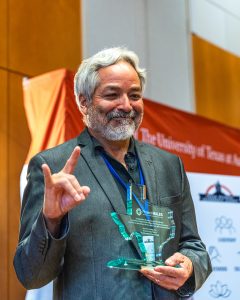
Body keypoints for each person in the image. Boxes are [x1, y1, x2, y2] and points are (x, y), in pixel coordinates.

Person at [14, 47, 212, 300]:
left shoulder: (169, 164)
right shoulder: (52, 166)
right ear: (84, 101)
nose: (126, 105)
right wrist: (51, 221)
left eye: (135, 95)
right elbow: (31, 275)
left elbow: (194, 246)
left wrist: (190, 266)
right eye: (112, 95)